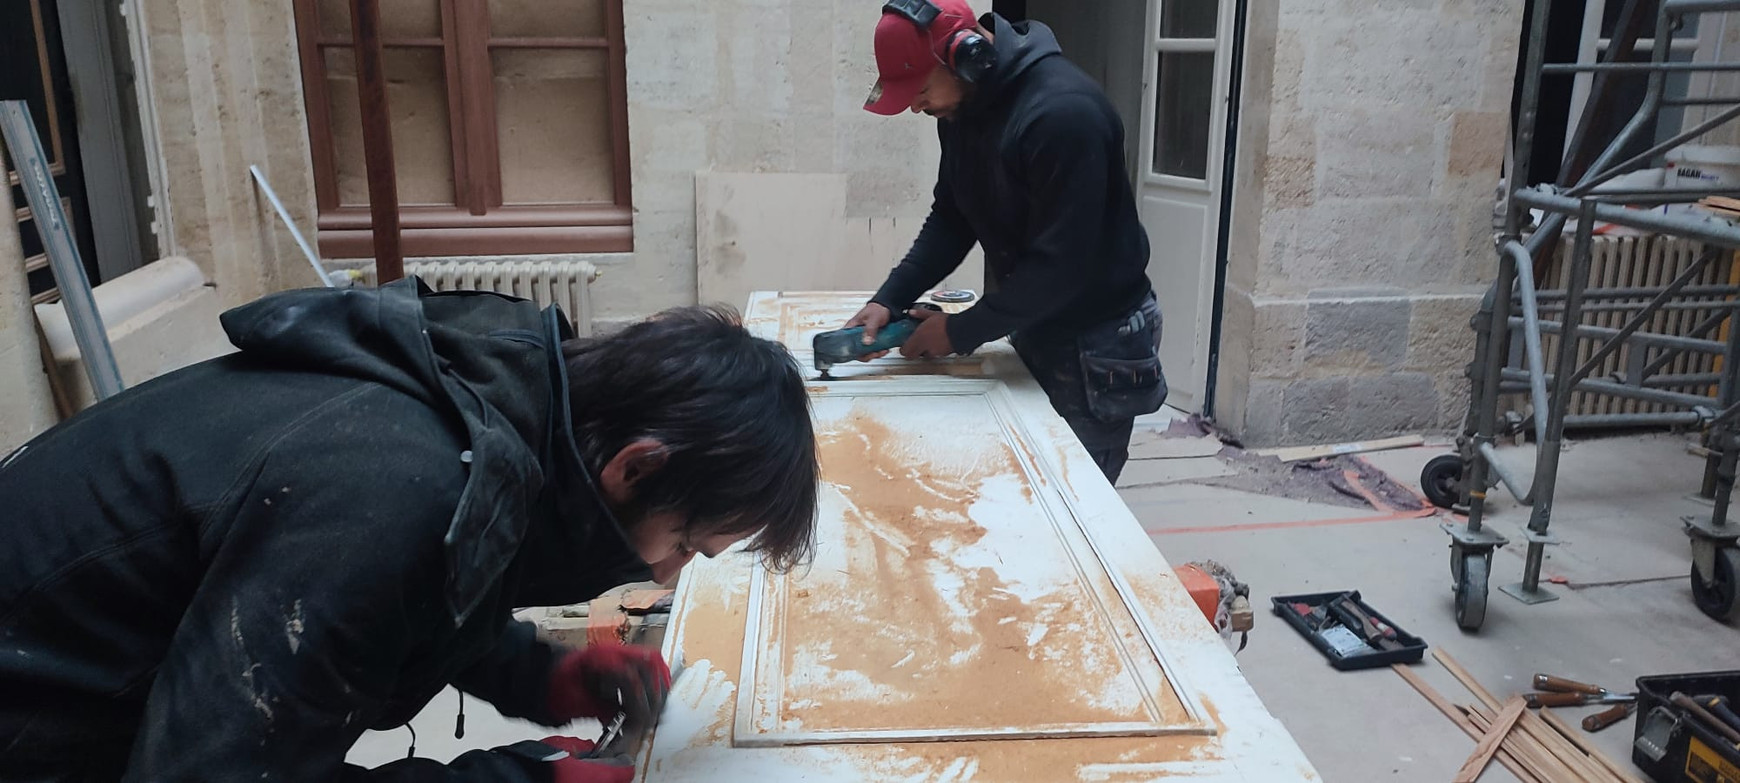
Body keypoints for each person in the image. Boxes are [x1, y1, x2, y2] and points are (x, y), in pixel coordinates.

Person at [0, 279, 819, 781]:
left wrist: (536, 675)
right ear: (635, 467)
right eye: (684, 542)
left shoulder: (494, 408)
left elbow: (424, 583)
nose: (671, 575)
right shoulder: (380, 494)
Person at [844, 0, 1166, 483]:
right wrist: (889, 300)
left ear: (966, 55)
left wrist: (959, 331)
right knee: (1028, 481)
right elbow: (953, 218)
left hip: (1098, 341)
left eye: (921, 89)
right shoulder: (962, 111)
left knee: (1076, 497)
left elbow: (1062, 267)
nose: (916, 105)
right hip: (1036, 317)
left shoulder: (1063, 115)